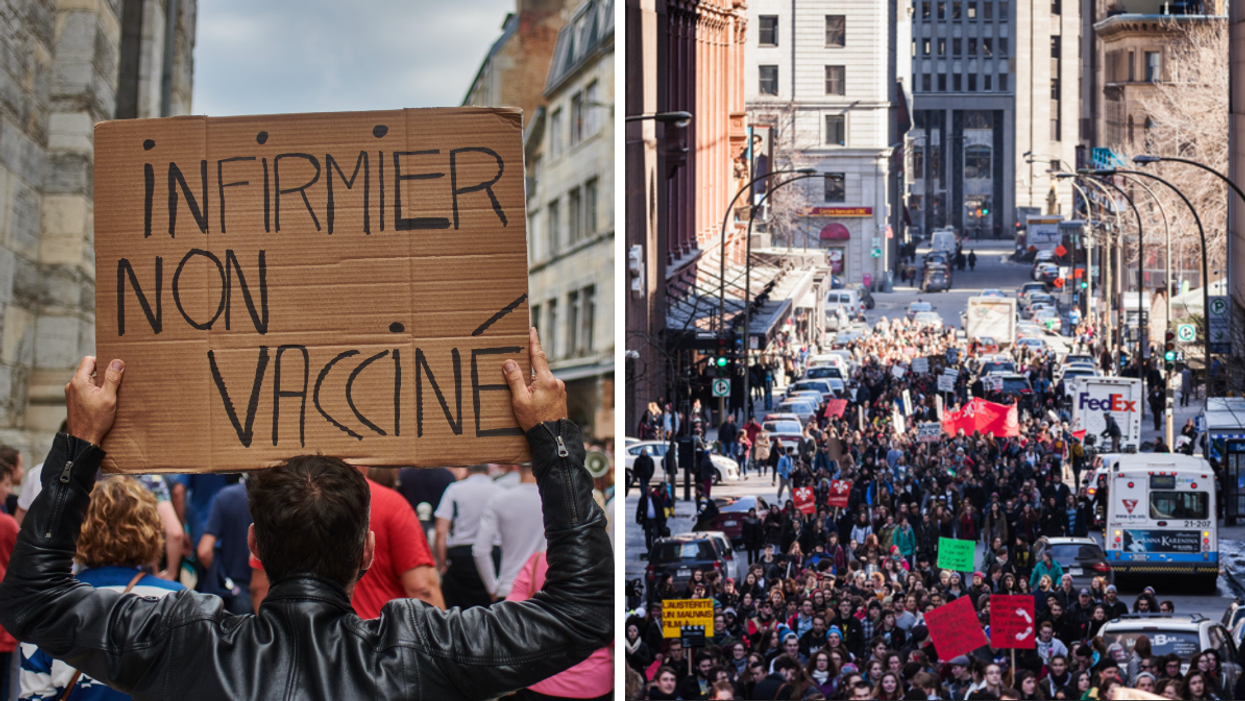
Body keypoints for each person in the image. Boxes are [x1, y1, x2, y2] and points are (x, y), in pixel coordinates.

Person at [0, 330, 613, 700]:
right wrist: (553, 442)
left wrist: (81, 444)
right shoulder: (422, 650)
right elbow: (581, 612)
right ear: (367, 550)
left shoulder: (184, 642)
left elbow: (32, 601)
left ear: (254, 545)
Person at [16, 476, 185, 701]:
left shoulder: (49, 605)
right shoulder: (179, 601)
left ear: (78, 530)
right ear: (152, 530)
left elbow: (34, 695)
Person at [434, 461, 502, 609]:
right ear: (489, 469)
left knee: (458, 610)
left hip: (460, 557)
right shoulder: (500, 490)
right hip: (493, 555)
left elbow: (441, 530)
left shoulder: (455, 490)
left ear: (467, 469)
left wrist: (442, 563)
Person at [473, 463, 545, 602]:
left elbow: (480, 550)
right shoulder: (555, 500)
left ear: (516, 467)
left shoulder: (499, 500)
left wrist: (493, 588)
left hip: (510, 588)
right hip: (548, 587)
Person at [196, 479, 255, 615]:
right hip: (268, 591)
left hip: (234, 591)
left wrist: (220, 576)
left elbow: (204, 551)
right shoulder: (277, 497)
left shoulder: (227, 496)